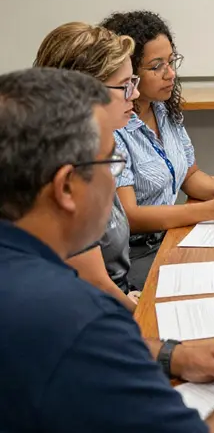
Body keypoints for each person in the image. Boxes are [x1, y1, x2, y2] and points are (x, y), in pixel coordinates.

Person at [0, 67, 214, 433]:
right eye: (112, 162)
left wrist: (171, 354)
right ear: (67, 187)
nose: (118, 182)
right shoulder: (74, 316)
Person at [101, 11, 214, 291]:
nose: (170, 74)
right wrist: (210, 210)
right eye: (156, 66)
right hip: (136, 254)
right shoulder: (115, 125)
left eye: (171, 62)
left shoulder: (164, 107)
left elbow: (189, 174)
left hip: (170, 236)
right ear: (129, 71)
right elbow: (130, 217)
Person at [33, 22, 142, 311]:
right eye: (125, 86)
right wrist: (146, 314)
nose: (136, 95)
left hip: (114, 302)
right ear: (82, 91)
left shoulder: (96, 143)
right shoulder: (58, 163)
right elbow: (93, 283)